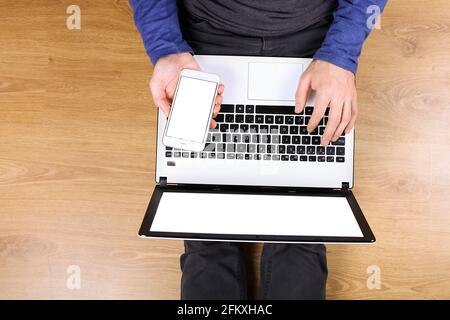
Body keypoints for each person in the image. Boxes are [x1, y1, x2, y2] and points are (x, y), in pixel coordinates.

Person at [130, 0, 387, 300]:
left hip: (313, 38)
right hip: (205, 36)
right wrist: (165, 46)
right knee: (206, 234)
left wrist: (340, 54)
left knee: (300, 235)